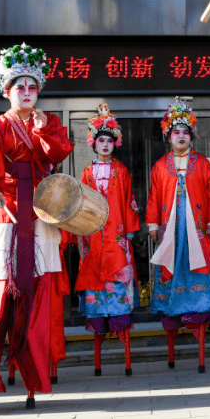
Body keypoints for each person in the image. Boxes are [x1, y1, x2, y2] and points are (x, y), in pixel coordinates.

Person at [0, 44, 74, 409]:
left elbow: (58, 153)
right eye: (19, 88)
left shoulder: (50, 122)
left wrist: (42, 132)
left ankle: (33, 380)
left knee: (37, 297)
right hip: (5, 213)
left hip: (39, 211)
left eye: (32, 87)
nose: (26, 94)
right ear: (7, 91)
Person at [146, 99, 210, 373]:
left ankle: (198, 307)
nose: (181, 136)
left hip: (197, 228)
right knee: (171, 264)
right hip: (170, 226)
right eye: (176, 132)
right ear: (169, 136)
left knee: (196, 264)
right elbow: (154, 197)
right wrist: (154, 226)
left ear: (192, 136)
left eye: (185, 132)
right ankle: (172, 308)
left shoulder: (202, 164)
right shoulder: (160, 166)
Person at [75, 105, 140, 376]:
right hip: (93, 239)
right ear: (93, 143)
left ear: (115, 143)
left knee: (117, 285)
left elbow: (128, 201)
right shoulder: (87, 173)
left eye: (109, 140)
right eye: (100, 140)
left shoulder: (121, 170)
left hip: (116, 238)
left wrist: (129, 233)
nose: (105, 144)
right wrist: (81, 235)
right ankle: (98, 355)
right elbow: (78, 205)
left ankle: (125, 355)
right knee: (95, 287)